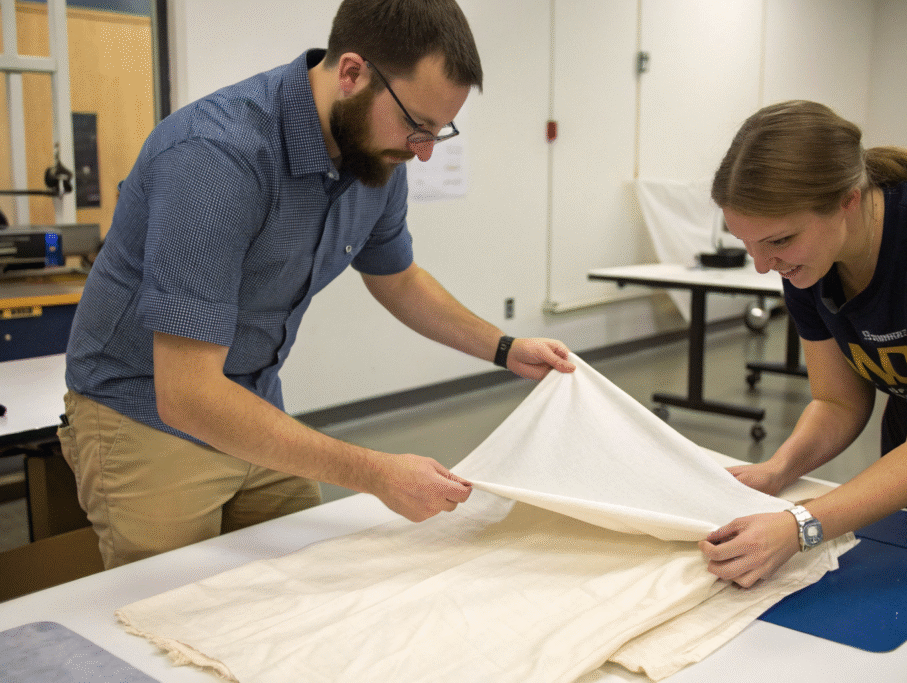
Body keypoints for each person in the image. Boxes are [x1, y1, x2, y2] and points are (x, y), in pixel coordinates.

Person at [58, 0, 575, 571]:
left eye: (438, 131)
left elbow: (399, 279)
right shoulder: (216, 156)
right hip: (146, 412)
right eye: (416, 125)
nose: (424, 152)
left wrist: (505, 348)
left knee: (303, 580)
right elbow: (187, 395)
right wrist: (377, 474)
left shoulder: (375, 156)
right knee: (175, 606)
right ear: (351, 73)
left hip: (253, 398)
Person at [700, 100, 907, 682]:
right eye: (749, 245)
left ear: (848, 200)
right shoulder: (808, 261)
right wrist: (778, 470)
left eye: (778, 241)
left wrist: (801, 525)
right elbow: (839, 401)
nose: (763, 265)